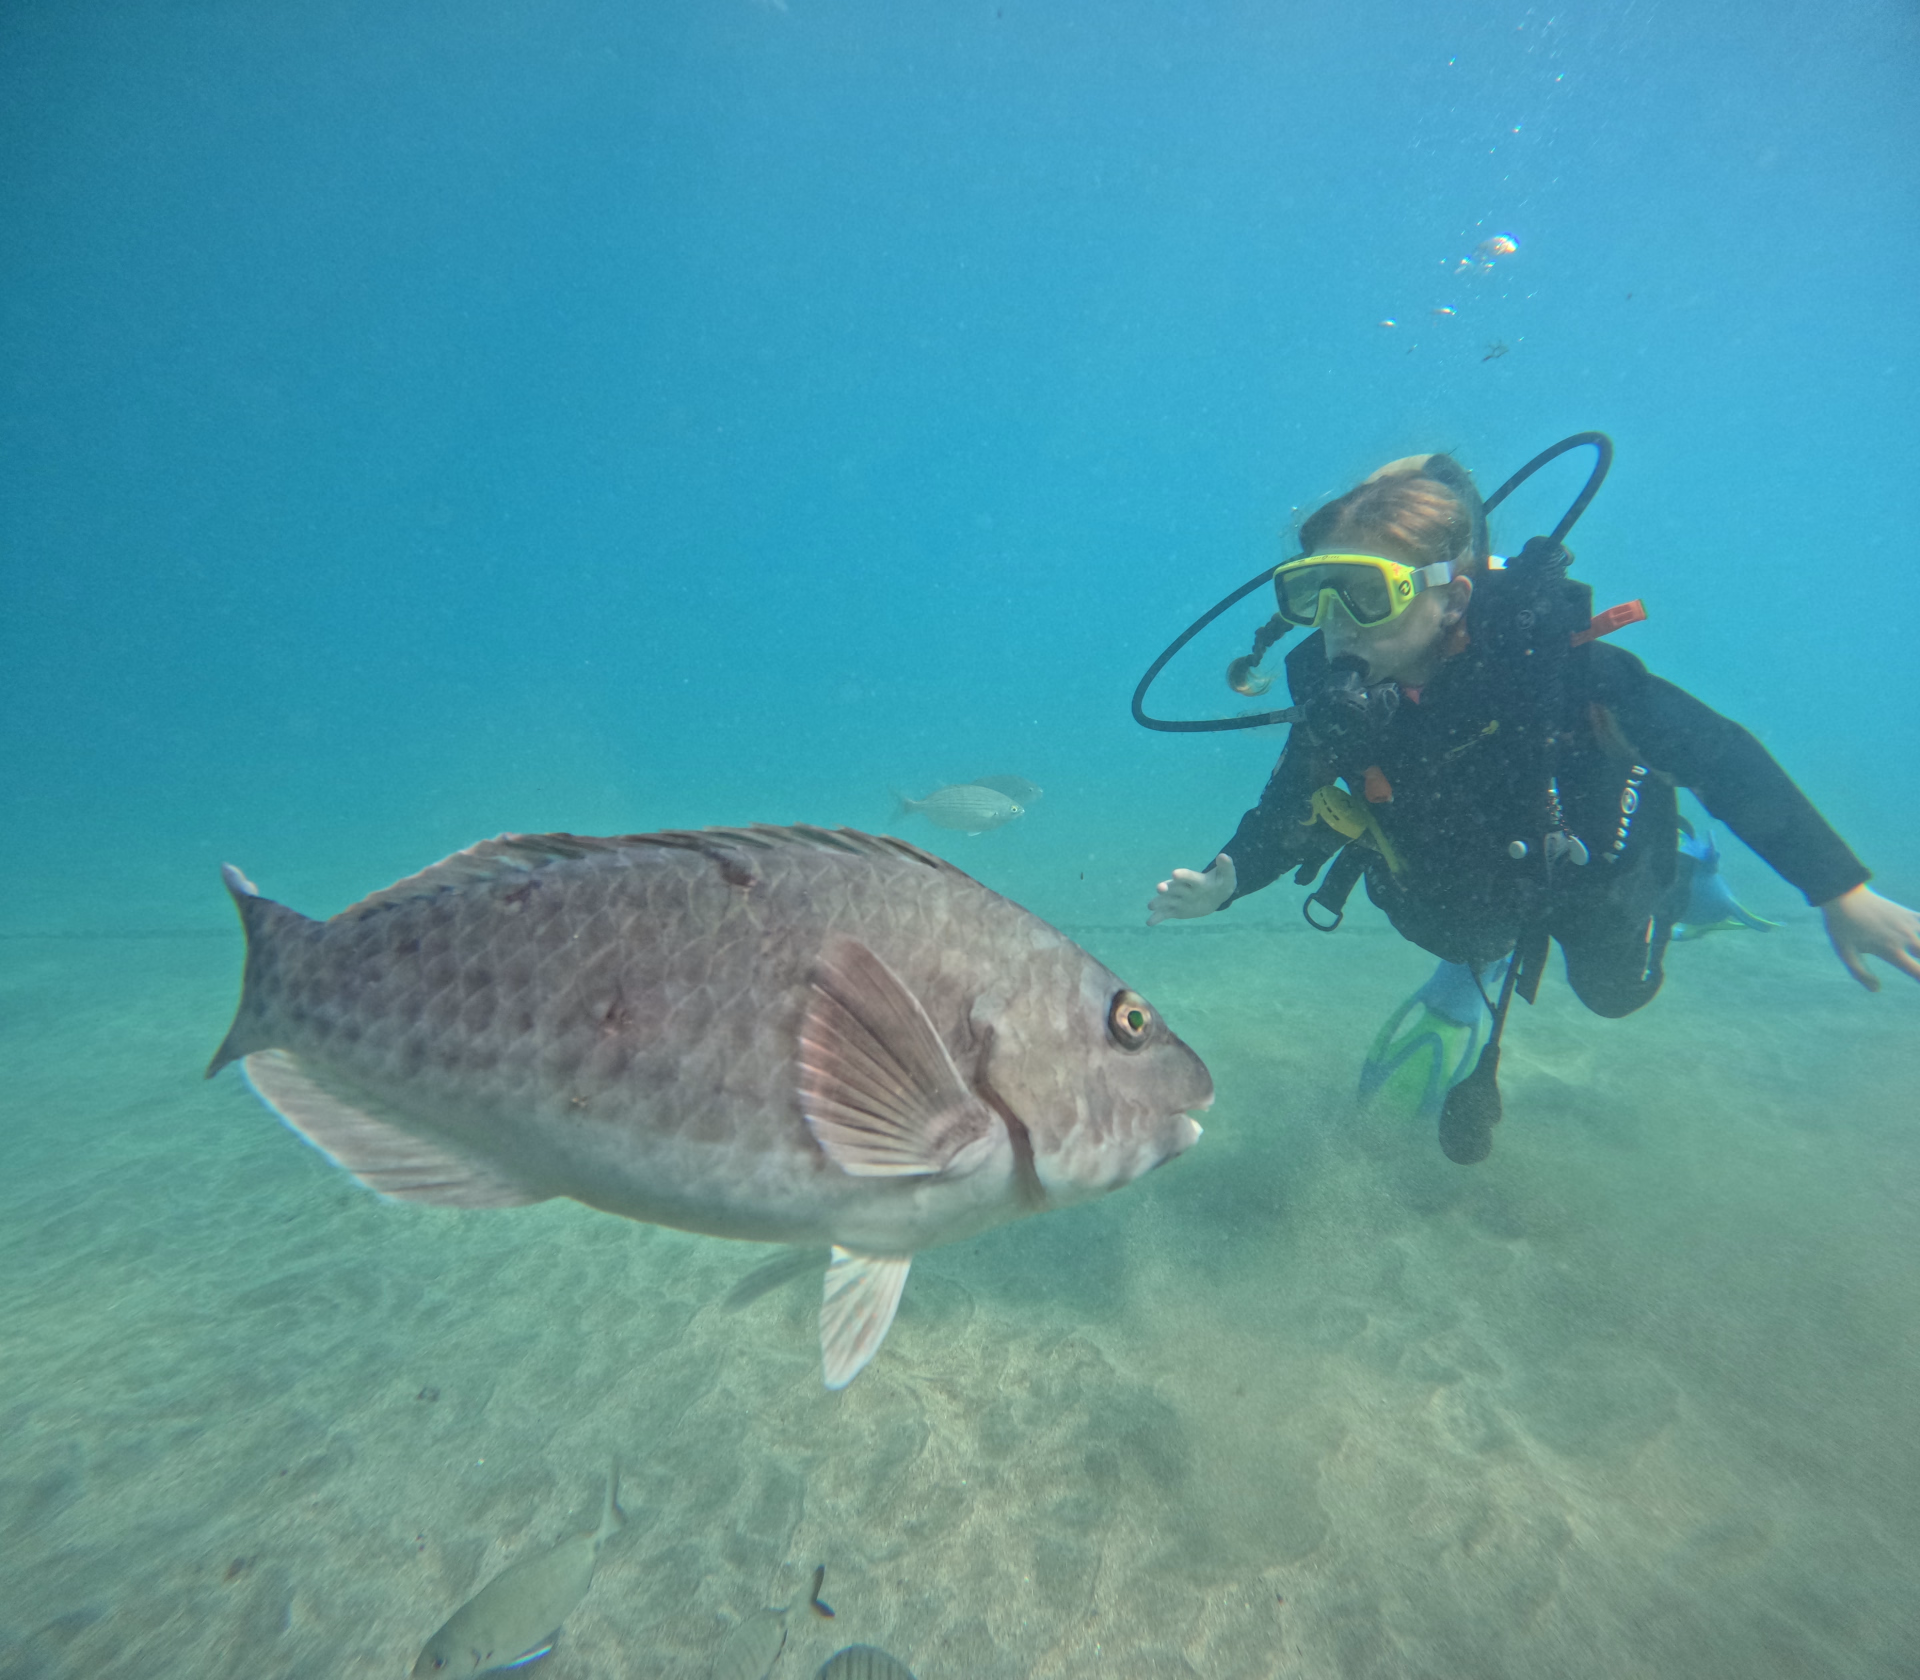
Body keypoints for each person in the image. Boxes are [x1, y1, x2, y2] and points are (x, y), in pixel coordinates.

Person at [1147, 451, 1920, 1163]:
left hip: (1589, 861)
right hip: (1468, 870)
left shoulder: (1557, 668)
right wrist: (1229, 880)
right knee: (1436, 919)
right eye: (1312, 593)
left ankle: (1683, 861)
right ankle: (1471, 972)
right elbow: (1293, 800)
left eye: (1367, 593)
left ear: (1452, 595)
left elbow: (1720, 753)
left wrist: (1838, 890)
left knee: (1617, 994)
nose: (1339, 620)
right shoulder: (1332, 690)